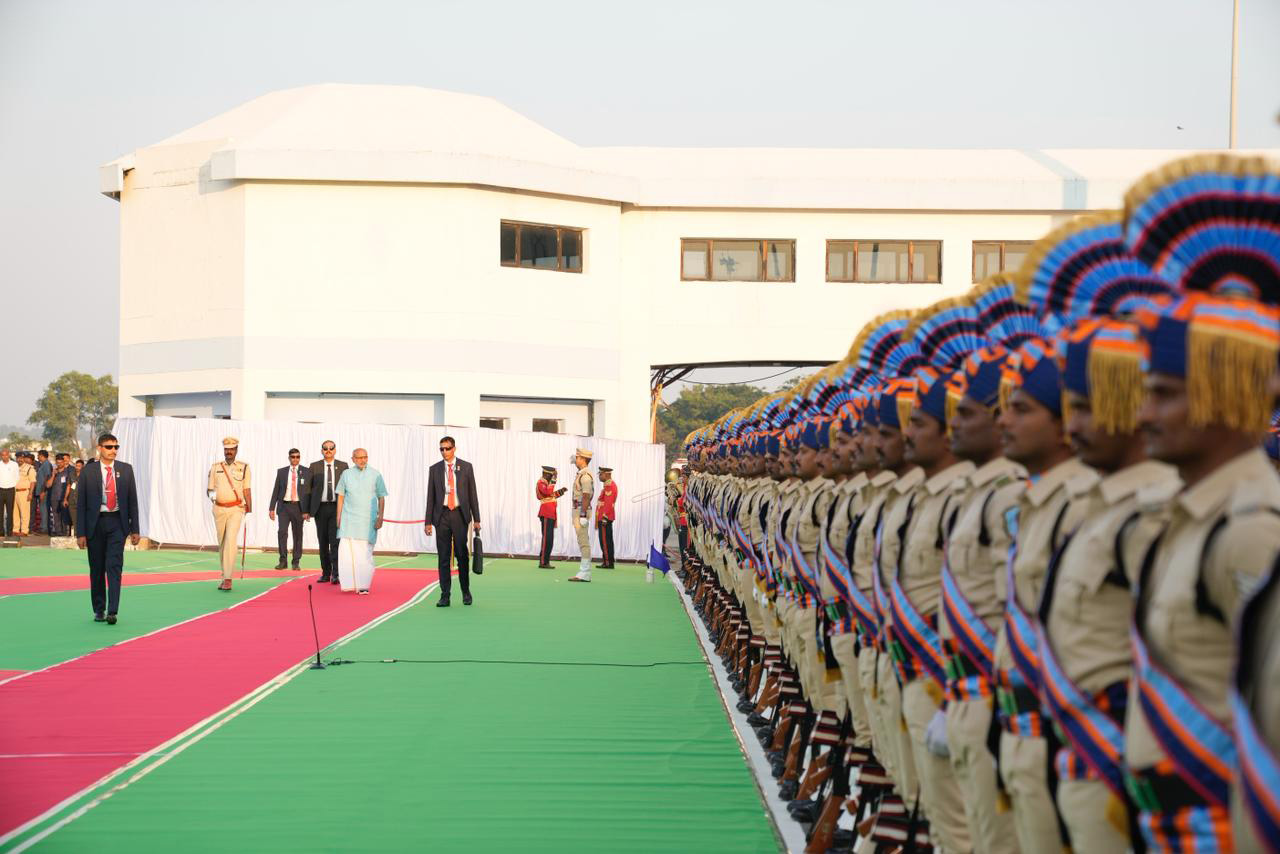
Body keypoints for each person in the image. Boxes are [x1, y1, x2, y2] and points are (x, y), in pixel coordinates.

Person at [76, 433, 140, 623]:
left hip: (117, 523)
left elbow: (133, 501)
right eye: (109, 447)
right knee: (97, 569)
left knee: (114, 567)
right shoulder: (88, 471)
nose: (113, 450)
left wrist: (135, 529)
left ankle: (113, 611)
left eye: (116, 447)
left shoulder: (126, 470)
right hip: (95, 524)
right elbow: (81, 504)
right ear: (99, 448)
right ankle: (99, 609)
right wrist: (81, 533)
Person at [424, 435, 481, 606]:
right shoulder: (434, 469)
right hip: (441, 515)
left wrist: (477, 518)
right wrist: (428, 522)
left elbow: (472, 494)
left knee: (462, 555)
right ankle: (445, 595)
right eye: (441, 449)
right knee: (443, 556)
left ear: (454, 449)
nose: (444, 452)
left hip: (459, 514)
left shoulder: (466, 467)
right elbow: (430, 497)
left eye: (447, 448)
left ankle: (465, 591)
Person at [335, 448, 387, 594]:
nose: (362, 460)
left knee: (365, 555)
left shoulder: (375, 474)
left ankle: (363, 585)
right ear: (353, 459)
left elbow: (381, 497)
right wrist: (338, 516)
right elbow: (341, 496)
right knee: (346, 554)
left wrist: (380, 517)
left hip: (367, 521)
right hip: (348, 520)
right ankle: (349, 584)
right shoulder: (346, 474)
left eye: (365, 457)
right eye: (359, 458)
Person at [207, 437, 251, 591]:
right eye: (227, 449)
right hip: (219, 509)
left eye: (232, 449)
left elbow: (247, 489)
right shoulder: (215, 467)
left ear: (236, 450)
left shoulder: (244, 467)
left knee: (230, 540)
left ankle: (228, 578)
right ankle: (224, 574)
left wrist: (249, 506)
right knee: (222, 543)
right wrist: (214, 500)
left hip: (236, 509)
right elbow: (210, 489)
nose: (229, 452)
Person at [308, 441, 347, 584]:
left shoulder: (343, 466)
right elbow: (308, 489)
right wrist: (306, 510)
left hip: (337, 508)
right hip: (320, 509)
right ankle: (325, 573)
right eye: (325, 448)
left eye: (331, 448)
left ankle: (336, 574)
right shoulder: (314, 466)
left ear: (335, 450)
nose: (328, 450)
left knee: (335, 542)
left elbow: (347, 488)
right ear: (322, 450)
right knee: (323, 542)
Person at [268, 448, 308, 569]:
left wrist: (308, 511)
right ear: (289, 458)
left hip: (299, 507)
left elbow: (309, 492)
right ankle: (283, 561)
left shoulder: (306, 471)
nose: (295, 459)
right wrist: (271, 508)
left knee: (298, 535)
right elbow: (276, 490)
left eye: (297, 457)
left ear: (299, 458)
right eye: (293, 457)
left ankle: (296, 562)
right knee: (282, 532)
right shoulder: (282, 472)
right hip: (284, 507)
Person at [567, 448, 595, 582]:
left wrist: (583, 515)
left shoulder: (585, 476)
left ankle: (585, 572)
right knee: (581, 540)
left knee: (584, 542)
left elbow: (586, 496)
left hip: (581, 510)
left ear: (583, 459)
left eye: (577, 457)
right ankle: (584, 572)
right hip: (578, 509)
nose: (575, 459)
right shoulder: (581, 474)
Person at [536, 465, 564, 568]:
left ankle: (546, 561)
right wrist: (554, 480)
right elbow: (547, 492)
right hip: (546, 512)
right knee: (546, 539)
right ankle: (543, 562)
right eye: (551, 475)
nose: (552, 477)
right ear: (547, 474)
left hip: (551, 513)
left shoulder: (546, 484)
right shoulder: (541, 483)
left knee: (550, 539)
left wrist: (560, 492)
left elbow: (551, 495)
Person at [595, 466, 617, 568]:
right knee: (606, 540)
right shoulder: (608, 485)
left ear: (607, 474)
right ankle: (607, 561)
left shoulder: (609, 486)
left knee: (605, 540)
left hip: (605, 517)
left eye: (601, 474)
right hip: (605, 516)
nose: (599, 476)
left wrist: (605, 517)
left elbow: (608, 503)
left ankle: (608, 562)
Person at [49, 454, 73, 536]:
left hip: (64, 498)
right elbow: (48, 485)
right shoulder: (53, 472)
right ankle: (58, 532)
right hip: (54, 497)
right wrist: (53, 475)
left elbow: (70, 485)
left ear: (63, 462)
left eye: (60, 462)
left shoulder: (68, 472)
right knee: (56, 516)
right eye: (57, 463)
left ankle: (65, 532)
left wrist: (67, 498)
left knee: (64, 516)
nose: (59, 464)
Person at [14, 451, 36, 536]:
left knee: (24, 512)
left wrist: (30, 493)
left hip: (24, 492)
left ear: (24, 458)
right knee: (14, 512)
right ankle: (15, 530)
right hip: (14, 492)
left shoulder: (29, 468)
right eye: (18, 458)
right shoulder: (14, 467)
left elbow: (33, 482)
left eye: (22, 458)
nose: (20, 459)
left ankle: (24, 531)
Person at [0, 448, 18, 536]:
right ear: (1, 456)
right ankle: (1, 531)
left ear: (9, 455)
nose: (4, 457)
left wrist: (12, 485)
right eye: (2, 455)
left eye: (6, 455)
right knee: (0, 512)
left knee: (10, 512)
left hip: (10, 490)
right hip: (0, 490)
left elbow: (17, 477)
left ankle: (9, 531)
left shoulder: (14, 464)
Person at [33, 449, 52, 534]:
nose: (37, 457)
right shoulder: (43, 464)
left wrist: (43, 491)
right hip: (40, 490)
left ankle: (44, 529)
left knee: (44, 510)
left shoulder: (46, 464)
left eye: (38, 455)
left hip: (44, 491)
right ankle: (43, 527)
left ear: (41, 456)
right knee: (42, 509)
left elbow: (47, 477)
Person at [66, 459, 84, 538]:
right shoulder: (71, 474)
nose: (77, 467)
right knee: (74, 518)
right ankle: (76, 534)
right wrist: (65, 498)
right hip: (72, 499)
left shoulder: (85, 475)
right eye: (76, 466)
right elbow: (68, 486)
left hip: (81, 500)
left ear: (83, 466)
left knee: (81, 518)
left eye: (79, 466)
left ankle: (82, 534)